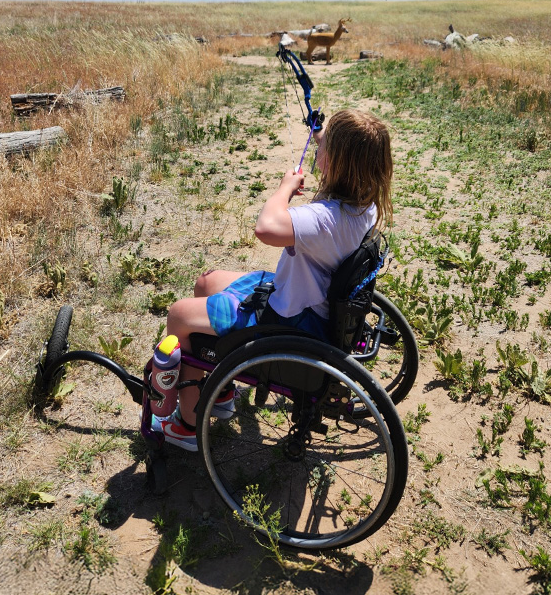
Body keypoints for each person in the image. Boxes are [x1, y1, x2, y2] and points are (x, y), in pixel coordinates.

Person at [154, 108, 394, 451]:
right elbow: (339, 149)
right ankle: (220, 391)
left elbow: (266, 227)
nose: (316, 149)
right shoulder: (363, 204)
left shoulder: (324, 220)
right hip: (306, 299)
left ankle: (188, 423)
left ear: (337, 162)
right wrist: (322, 129)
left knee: (179, 315)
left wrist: (284, 189)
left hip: (289, 318)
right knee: (207, 282)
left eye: (322, 148)